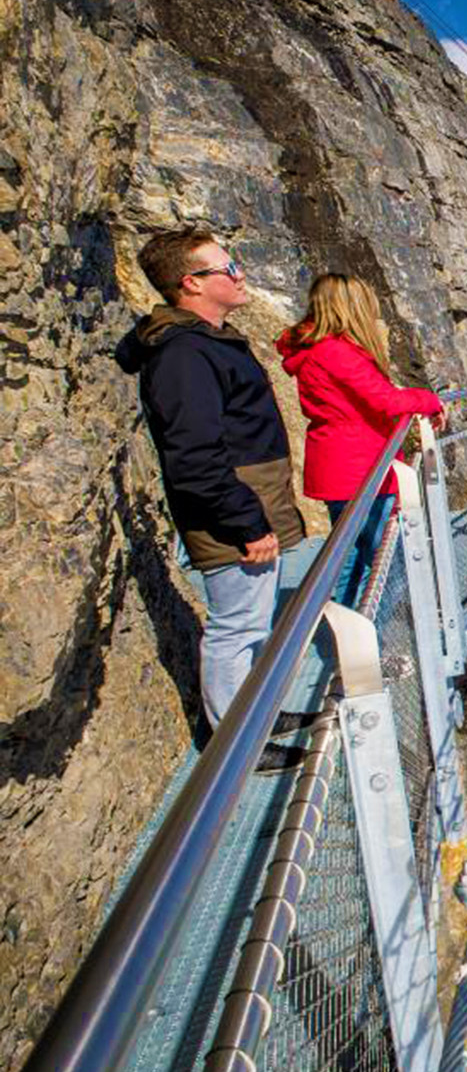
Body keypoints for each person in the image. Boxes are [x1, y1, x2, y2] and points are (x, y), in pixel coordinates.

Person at [116, 227, 309, 768]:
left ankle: (253, 714)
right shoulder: (184, 356)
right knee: (236, 627)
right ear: (191, 283)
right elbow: (194, 458)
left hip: (249, 501)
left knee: (254, 619)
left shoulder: (201, 344)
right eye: (229, 268)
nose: (240, 274)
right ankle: (233, 746)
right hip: (234, 512)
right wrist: (246, 521)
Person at [277, 274, 444, 608]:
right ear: (352, 307)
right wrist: (429, 399)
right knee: (386, 563)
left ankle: (350, 634)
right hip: (362, 469)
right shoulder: (336, 352)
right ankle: (382, 645)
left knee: (350, 557)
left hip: (338, 466)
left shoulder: (314, 351)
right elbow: (387, 401)